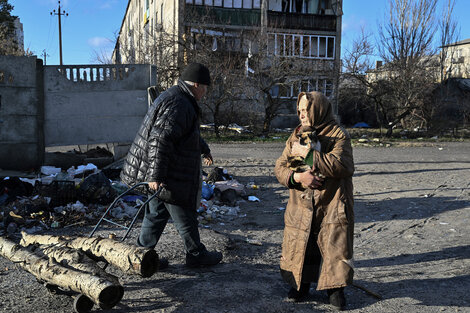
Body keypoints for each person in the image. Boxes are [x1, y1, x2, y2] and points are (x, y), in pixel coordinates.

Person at [120, 63, 223, 269]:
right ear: (196, 85)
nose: (205, 92)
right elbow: (160, 139)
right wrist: (155, 175)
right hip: (169, 174)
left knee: (156, 214)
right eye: (205, 87)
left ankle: (141, 256)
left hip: (165, 172)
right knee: (183, 212)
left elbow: (186, 134)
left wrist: (204, 149)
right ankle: (196, 255)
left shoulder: (178, 97)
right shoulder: (180, 103)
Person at [274, 91, 354, 310]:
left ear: (318, 109)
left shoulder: (338, 134)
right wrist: (297, 177)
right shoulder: (297, 134)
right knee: (303, 244)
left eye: (306, 110)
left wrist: (310, 156)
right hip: (301, 203)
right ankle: (300, 286)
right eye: (299, 110)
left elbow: (343, 166)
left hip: (331, 203)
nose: (302, 115)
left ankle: (335, 290)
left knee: (334, 246)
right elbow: (280, 167)